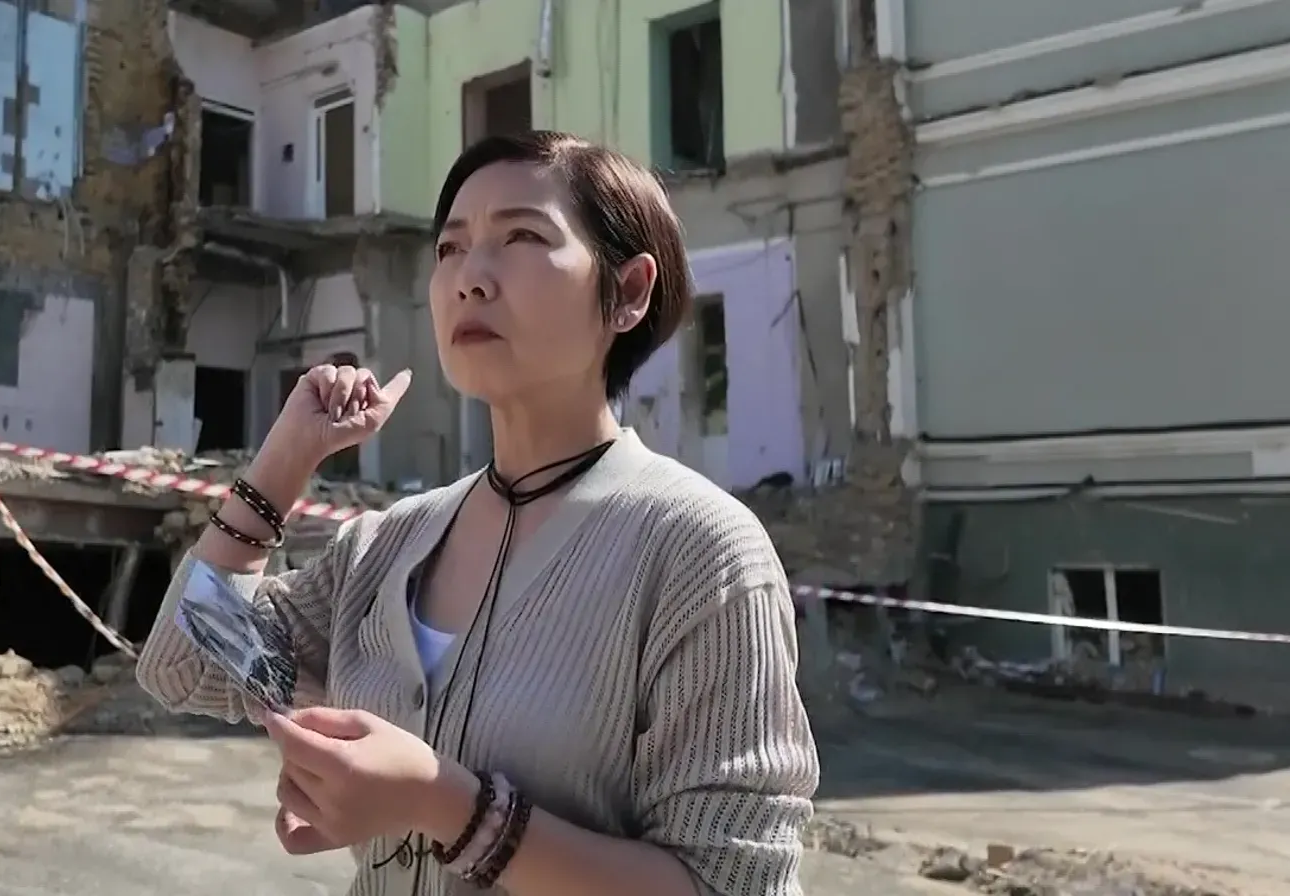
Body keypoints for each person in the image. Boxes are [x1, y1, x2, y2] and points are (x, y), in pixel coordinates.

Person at [136, 130, 820, 896]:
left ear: (627, 292)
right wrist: (283, 461)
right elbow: (184, 664)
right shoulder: (386, 545)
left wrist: (443, 805)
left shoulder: (700, 554)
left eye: (522, 237)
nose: (470, 278)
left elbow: (732, 884)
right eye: (450, 249)